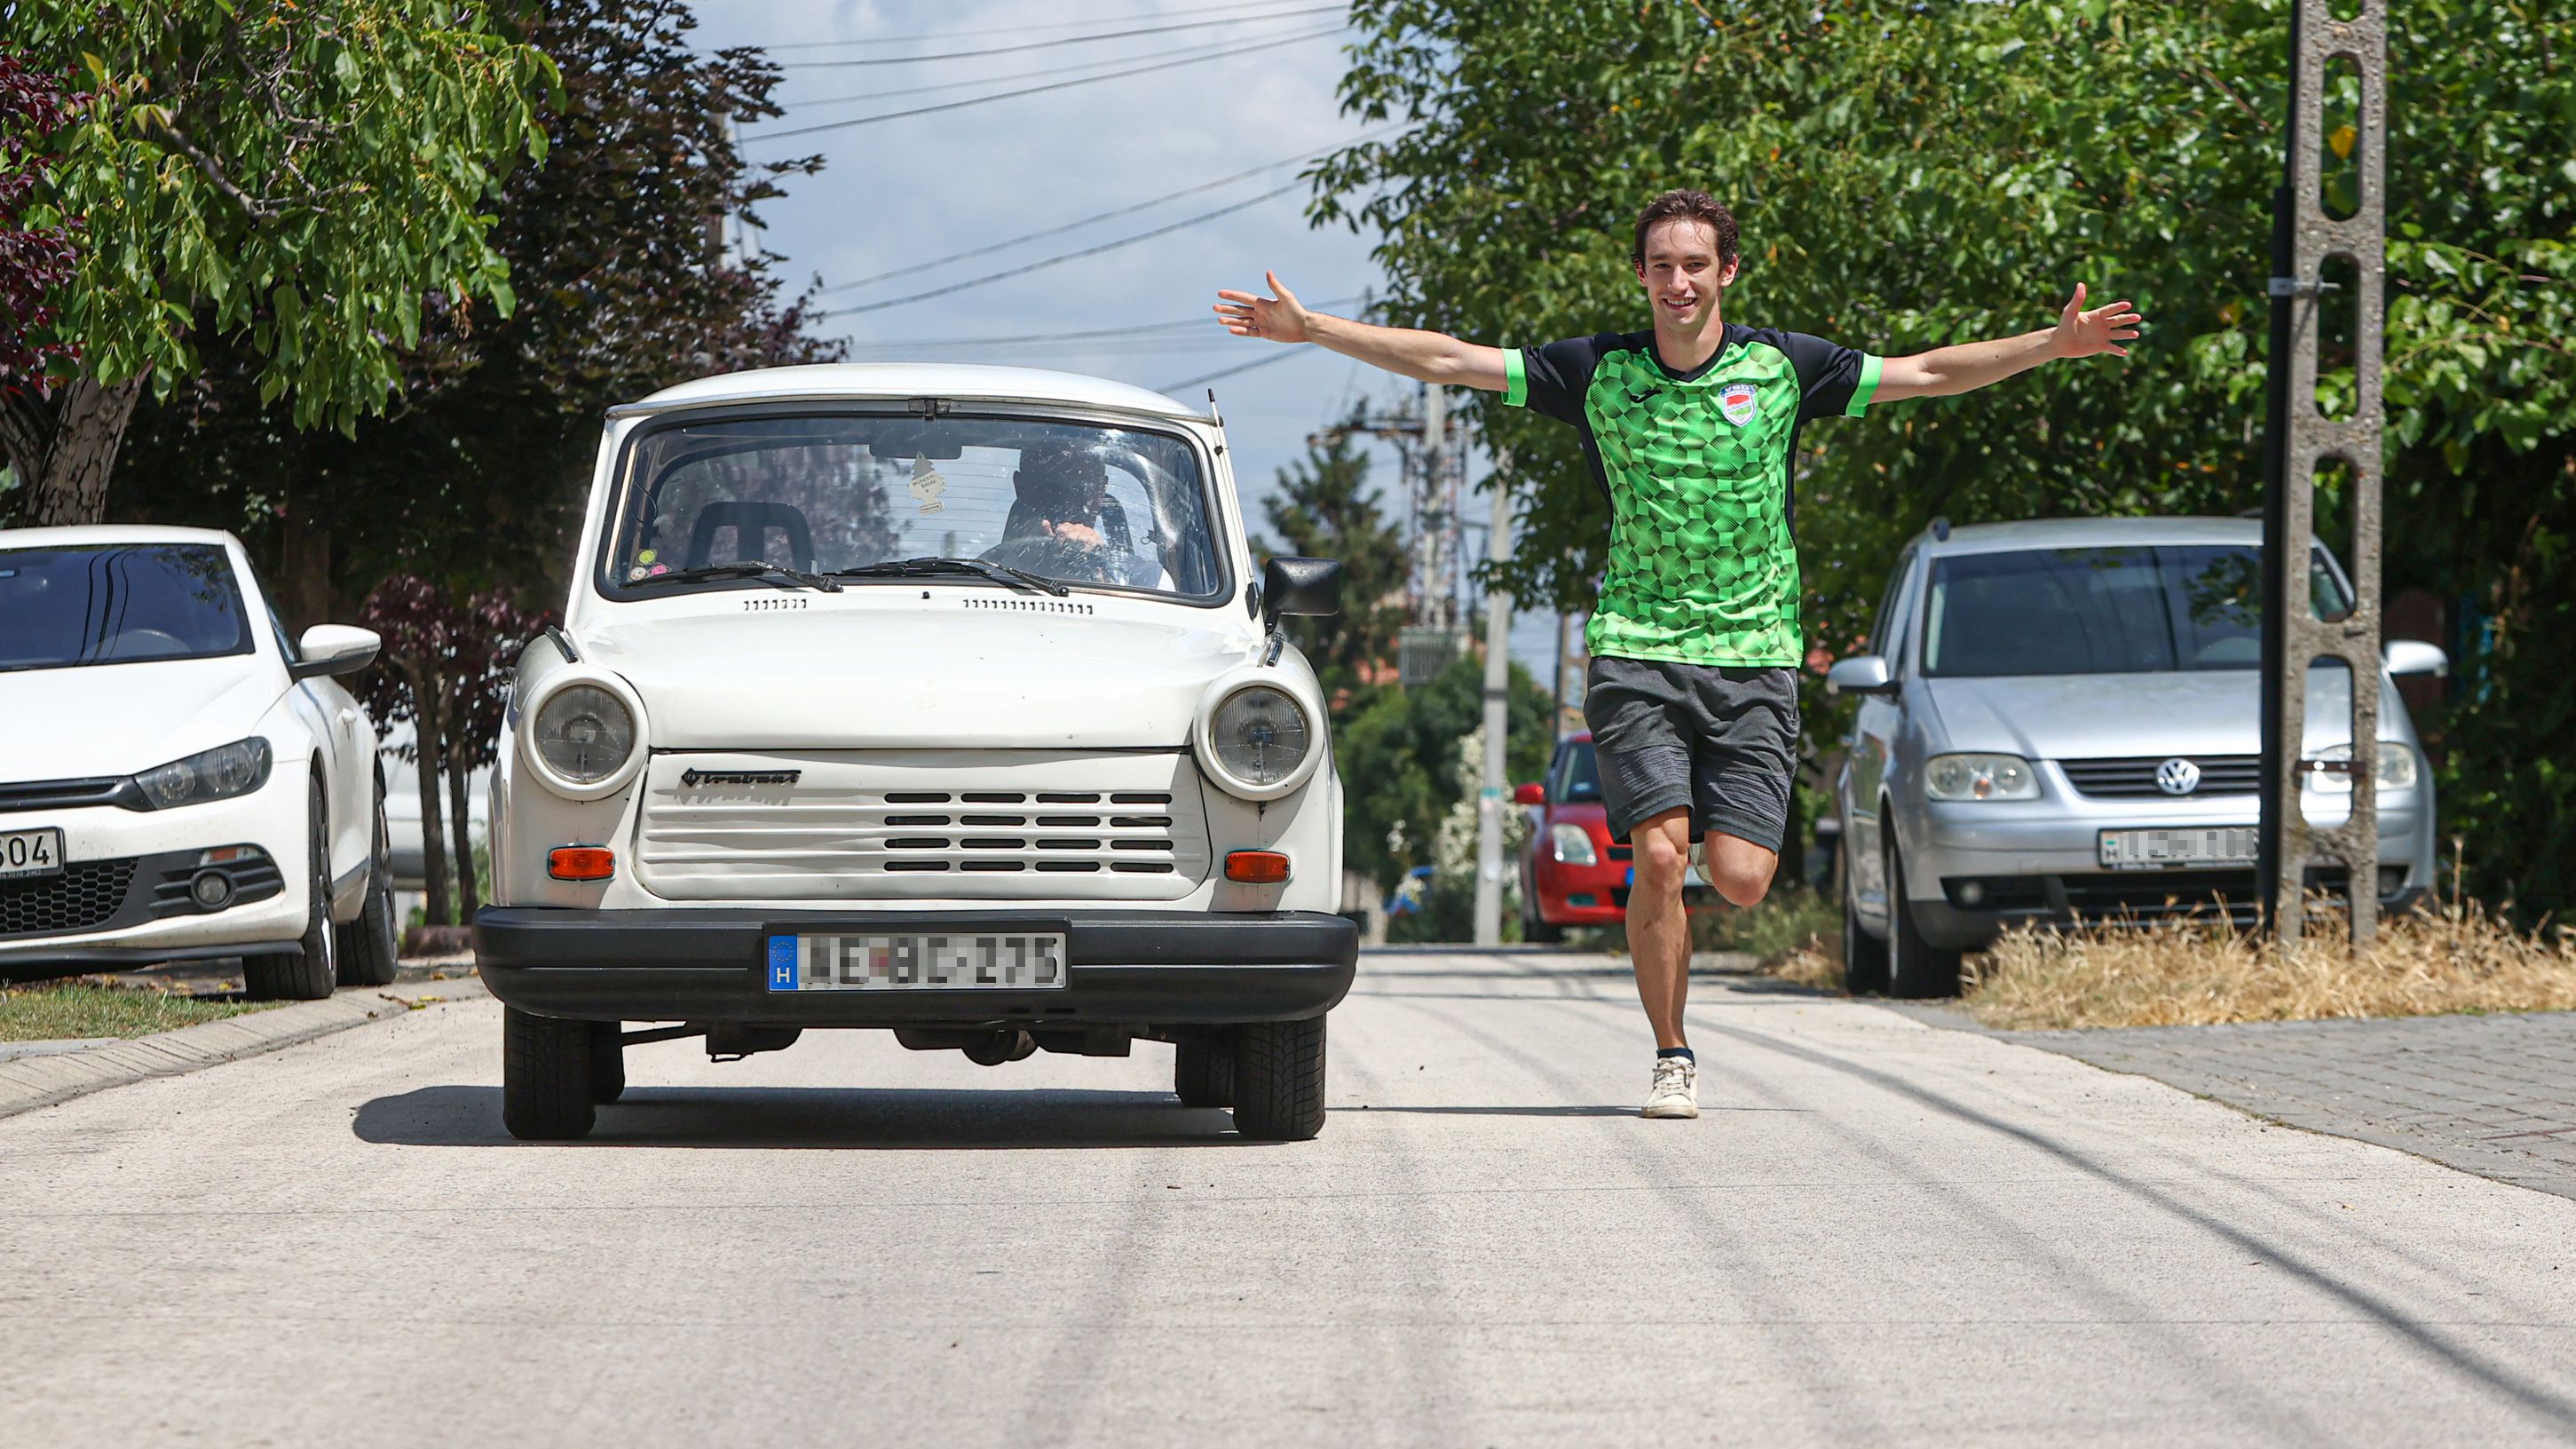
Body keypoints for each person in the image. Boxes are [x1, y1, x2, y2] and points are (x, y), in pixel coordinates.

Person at [1213, 188, 2142, 1119]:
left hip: (1754, 655)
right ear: (1642, 275)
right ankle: (1672, 1051)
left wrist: (2049, 345)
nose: (1678, 281)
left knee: (1741, 881)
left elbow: (1931, 371)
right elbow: (1451, 359)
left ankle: (1690, 838)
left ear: (1726, 272)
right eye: (1661, 265)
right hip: (1637, 651)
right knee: (1659, 859)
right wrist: (1314, 329)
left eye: (1695, 264)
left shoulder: (1785, 368)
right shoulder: (1598, 372)